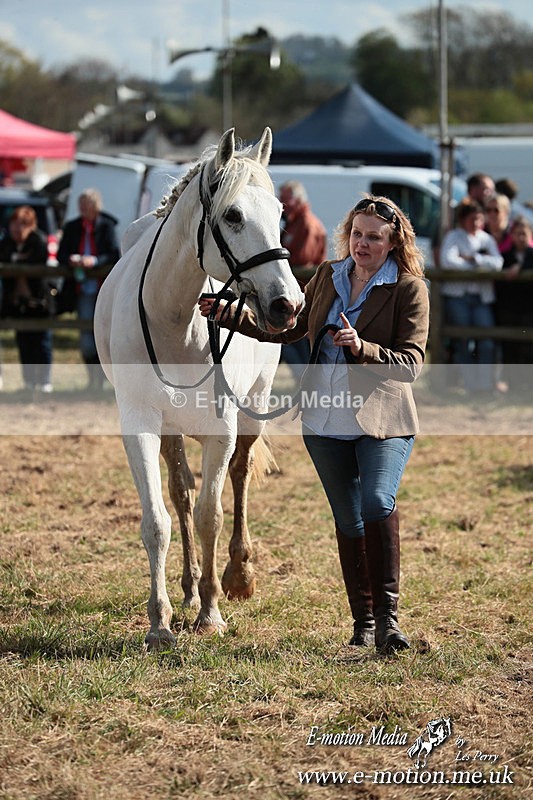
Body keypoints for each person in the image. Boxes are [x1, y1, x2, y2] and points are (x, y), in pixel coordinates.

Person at [200, 195, 430, 653]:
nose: (363, 244)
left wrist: (362, 347)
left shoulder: (408, 288)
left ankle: (389, 621)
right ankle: (363, 624)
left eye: (374, 237)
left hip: (382, 419)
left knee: (376, 502)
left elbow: (411, 363)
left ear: (393, 241)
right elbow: (289, 329)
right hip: (324, 419)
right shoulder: (329, 274)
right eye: (358, 234)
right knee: (348, 519)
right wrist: (230, 317)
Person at [57, 188, 119, 389]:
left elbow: (113, 254)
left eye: (87, 204)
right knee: (86, 338)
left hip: (103, 289)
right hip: (81, 289)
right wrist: (71, 258)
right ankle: (92, 379)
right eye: (80, 204)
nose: (83, 208)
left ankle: (102, 380)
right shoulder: (72, 227)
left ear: (96, 206)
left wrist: (95, 261)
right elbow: (60, 254)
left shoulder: (107, 226)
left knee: (103, 336)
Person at [440, 198, 503, 394]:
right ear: (463, 219)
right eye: (471, 219)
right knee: (463, 340)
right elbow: (448, 261)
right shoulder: (454, 236)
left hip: (481, 297)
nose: (475, 223)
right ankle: (470, 385)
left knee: (486, 340)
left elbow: (498, 263)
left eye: (478, 219)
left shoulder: (486, 239)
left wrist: (474, 259)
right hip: (459, 296)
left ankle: (484, 385)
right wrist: (477, 266)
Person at [0, 205, 57, 392]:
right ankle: (29, 381)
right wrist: (19, 259)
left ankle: (44, 381)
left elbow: (36, 261)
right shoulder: (6, 241)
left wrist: (16, 260)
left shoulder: (39, 240)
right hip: (17, 302)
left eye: (22, 225)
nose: (17, 229)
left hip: (39, 300)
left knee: (42, 342)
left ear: (31, 226)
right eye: (14, 225)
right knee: (24, 342)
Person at [278, 181, 327, 379]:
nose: (281, 201)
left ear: (297, 199)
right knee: (289, 342)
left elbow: (303, 261)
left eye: (285, 197)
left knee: (290, 342)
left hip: (302, 299)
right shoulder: (293, 223)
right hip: (293, 298)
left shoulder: (307, 224)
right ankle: (308, 383)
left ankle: (309, 383)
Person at [495, 216, 533, 390]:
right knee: (510, 348)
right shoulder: (504, 257)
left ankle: (527, 385)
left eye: (524, 234)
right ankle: (513, 385)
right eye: (517, 234)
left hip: (528, 309)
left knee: (527, 347)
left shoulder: (531, 256)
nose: (521, 238)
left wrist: (522, 266)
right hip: (509, 308)